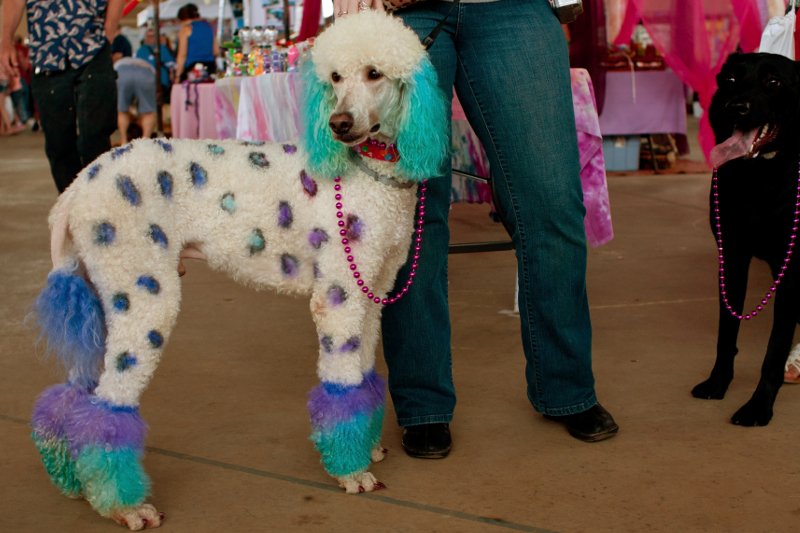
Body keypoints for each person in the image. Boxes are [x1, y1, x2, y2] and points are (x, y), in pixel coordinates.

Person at [333, 0, 619, 458]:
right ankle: (423, 405)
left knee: (551, 201)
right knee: (414, 213)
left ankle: (566, 387)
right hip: (404, 11)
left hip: (515, 9)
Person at [0, 0, 123, 193]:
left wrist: (109, 31)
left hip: (93, 48)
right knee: (58, 143)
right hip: (47, 53)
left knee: (94, 135)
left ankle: (101, 205)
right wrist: (5, 41)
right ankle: (72, 211)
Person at [114, 57, 157, 144]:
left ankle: (123, 141)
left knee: (122, 110)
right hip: (145, 71)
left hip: (122, 71)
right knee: (149, 112)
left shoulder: (118, 63)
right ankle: (145, 141)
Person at [174, 3, 219, 82]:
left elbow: (182, 55)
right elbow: (216, 51)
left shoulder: (186, 29)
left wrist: (178, 75)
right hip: (210, 67)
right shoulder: (209, 27)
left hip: (193, 70)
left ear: (182, 18)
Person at [136, 27, 176, 104]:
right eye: (148, 36)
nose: (150, 39)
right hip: (146, 82)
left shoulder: (162, 48)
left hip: (160, 82)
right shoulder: (141, 50)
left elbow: (171, 65)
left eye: (152, 36)